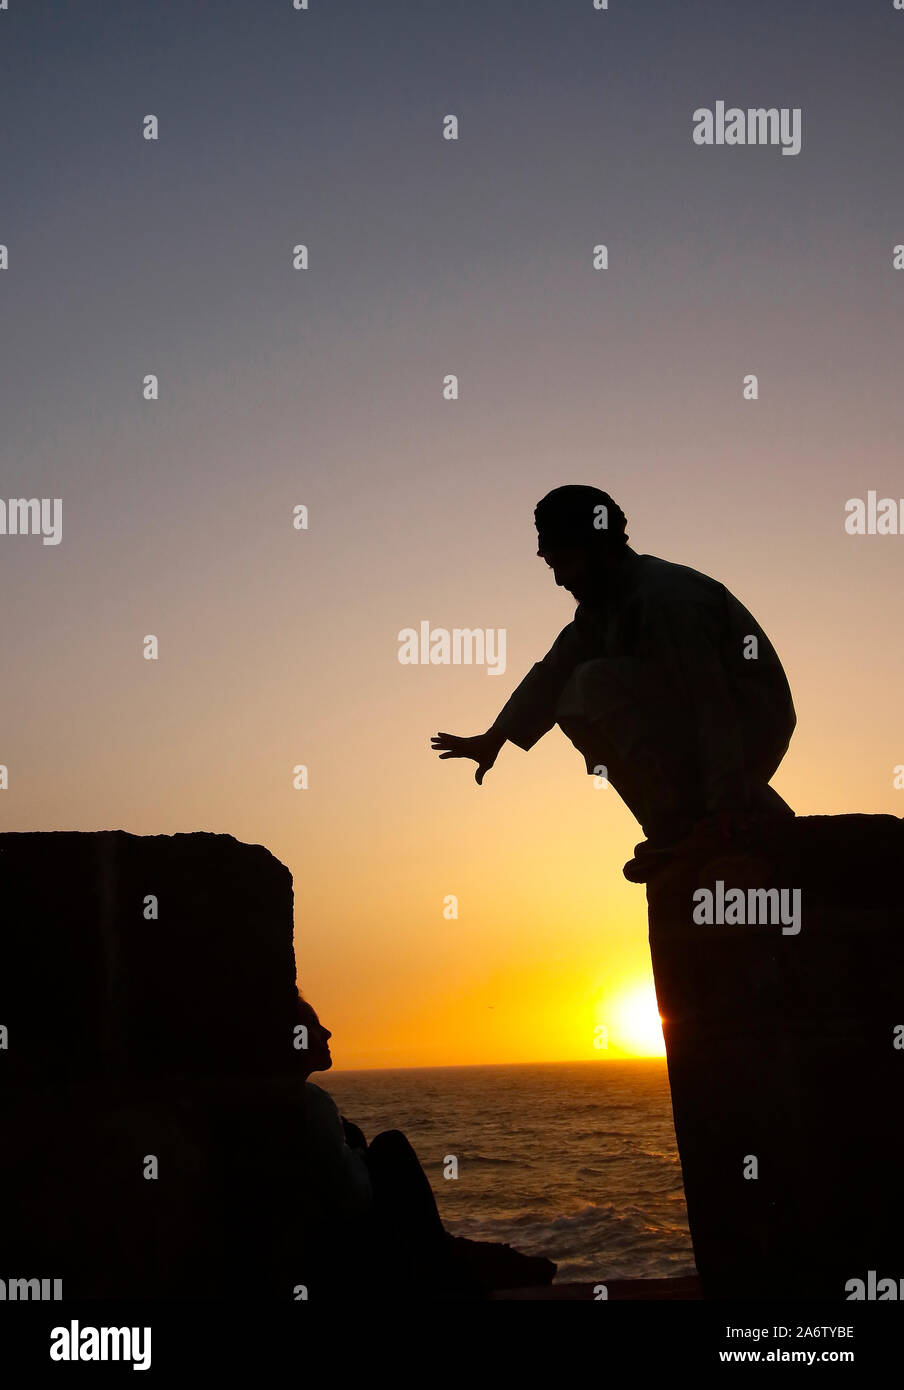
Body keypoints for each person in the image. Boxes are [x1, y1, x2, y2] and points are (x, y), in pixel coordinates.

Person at [432, 485, 796, 874]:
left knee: (592, 686)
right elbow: (552, 672)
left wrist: (726, 812)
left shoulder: (665, 598)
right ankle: (673, 827)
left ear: (602, 549)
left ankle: (710, 821)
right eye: (551, 564)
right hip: (699, 724)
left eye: (566, 562)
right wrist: (496, 737)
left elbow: (710, 704)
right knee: (574, 694)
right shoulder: (601, 609)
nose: (559, 580)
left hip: (742, 722)